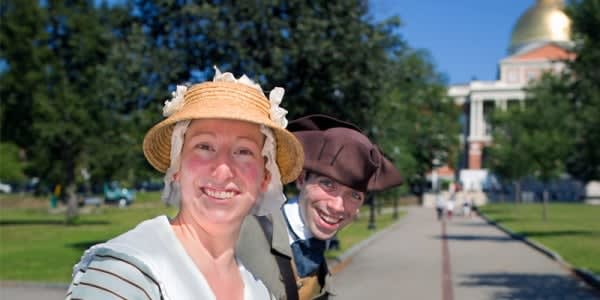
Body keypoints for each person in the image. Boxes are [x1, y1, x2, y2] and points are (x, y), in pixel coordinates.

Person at [65, 67, 304, 300]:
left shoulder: (260, 288)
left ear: (265, 177)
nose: (222, 170)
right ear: (176, 167)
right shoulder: (123, 274)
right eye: (204, 146)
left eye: (243, 151)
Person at [237, 114, 403, 299]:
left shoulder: (315, 238)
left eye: (354, 195)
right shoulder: (242, 232)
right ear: (301, 180)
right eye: (328, 184)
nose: (338, 206)